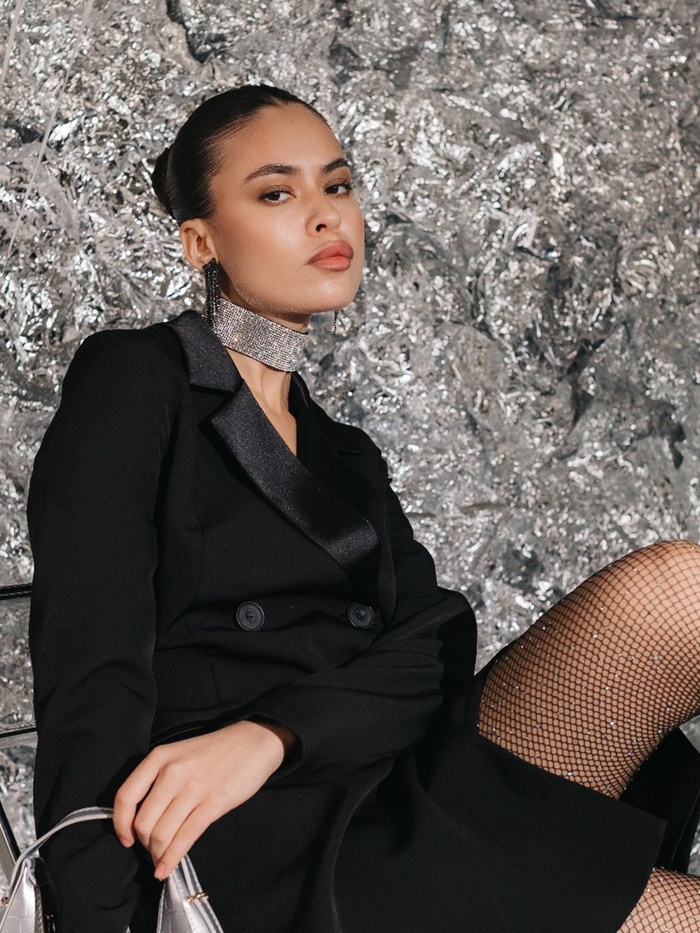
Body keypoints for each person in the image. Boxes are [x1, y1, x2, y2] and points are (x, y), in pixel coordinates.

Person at [26, 83, 700, 933]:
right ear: (201, 241)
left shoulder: (343, 450)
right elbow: (90, 674)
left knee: (681, 597)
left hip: (391, 783)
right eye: (277, 193)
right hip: (265, 850)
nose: (325, 215)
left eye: (337, 185)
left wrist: (273, 734)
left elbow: (434, 646)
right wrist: (98, 915)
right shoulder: (136, 379)